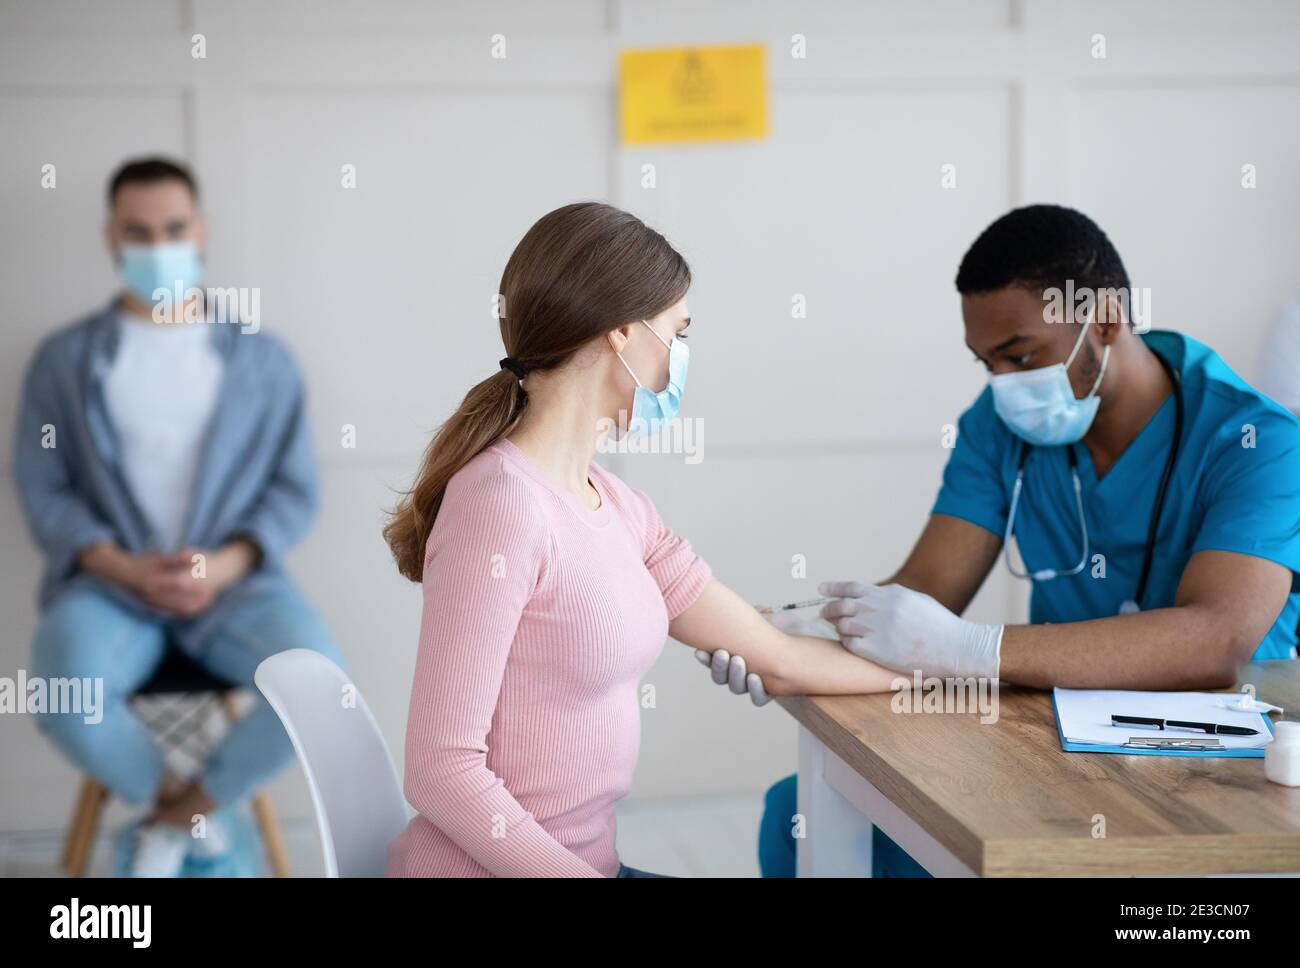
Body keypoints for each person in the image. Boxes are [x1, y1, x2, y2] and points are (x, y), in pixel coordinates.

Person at [703, 204, 1300, 877]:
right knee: (800, 817)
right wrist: (786, 639)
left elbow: (1217, 641)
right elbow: (926, 594)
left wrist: (973, 649)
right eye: (987, 362)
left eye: (1020, 355)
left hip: (1221, 753)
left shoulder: (1257, 441)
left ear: (1104, 320)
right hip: (1051, 731)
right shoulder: (999, 425)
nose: (1004, 385)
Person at [383, 201, 904, 878]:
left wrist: (968, 671)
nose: (683, 358)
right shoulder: (499, 507)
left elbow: (774, 655)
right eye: (678, 332)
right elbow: (441, 770)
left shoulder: (619, 506)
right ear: (622, 335)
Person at [12, 156, 343, 877]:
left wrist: (221, 565)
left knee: (322, 690)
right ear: (109, 236)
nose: (157, 247)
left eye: (173, 228)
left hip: (236, 587)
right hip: (109, 588)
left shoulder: (264, 361)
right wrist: (121, 565)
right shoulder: (64, 362)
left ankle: (191, 812)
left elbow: (294, 490)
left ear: (202, 230)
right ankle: (181, 811)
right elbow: (43, 488)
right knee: (63, 696)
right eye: (137, 232)